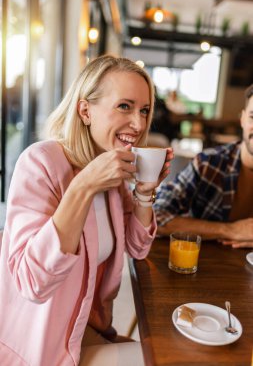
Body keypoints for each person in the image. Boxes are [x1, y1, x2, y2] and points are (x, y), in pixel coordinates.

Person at [0, 55, 173, 366]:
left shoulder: (112, 169)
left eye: (144, 110)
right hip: (39, 349)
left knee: (170, 352)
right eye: (125, 106)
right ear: (85, 110)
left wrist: (144, 192)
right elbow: (32, 282)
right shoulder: (40, 163)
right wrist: (84, 185)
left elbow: (137, 247)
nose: (139, 123)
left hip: (83, 332)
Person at [154, 84, 253, 249]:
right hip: (199, 268)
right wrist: (230, 230)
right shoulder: (209, 164)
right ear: (242, 119)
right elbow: (156, 216)